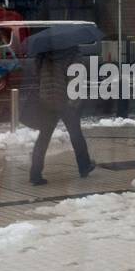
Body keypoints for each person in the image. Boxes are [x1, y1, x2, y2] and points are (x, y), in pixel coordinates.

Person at [28, 45, 95, 185]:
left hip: (46, 99)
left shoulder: (44, 52)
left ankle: (35, 173)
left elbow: (36, 72)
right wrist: (75, 100)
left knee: (43, 137)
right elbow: (76, 77)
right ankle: (84, 166)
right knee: (76, 134)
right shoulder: (73, 53)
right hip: (65, 100)